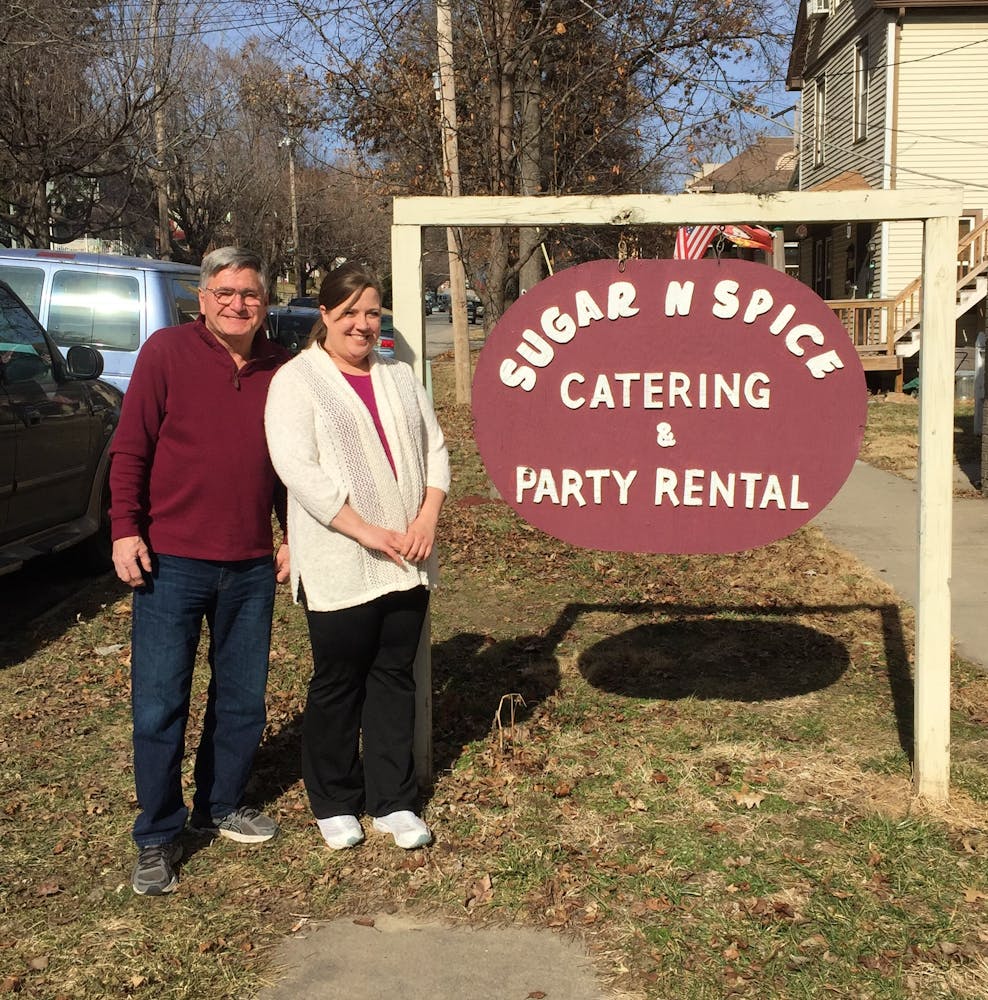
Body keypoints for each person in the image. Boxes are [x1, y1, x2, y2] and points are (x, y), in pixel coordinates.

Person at [110, 246, 290, 896]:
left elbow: (291, 468)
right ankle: (158, 834)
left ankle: (221, 804)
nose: (237, 303)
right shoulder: (166, 354)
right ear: (203, 299)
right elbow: (131, 447)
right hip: (172, 560)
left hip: (249, 564)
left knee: (241, 699)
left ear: (263, 302)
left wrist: (292, 534)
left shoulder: (282, 368)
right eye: (225, 292)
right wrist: (124, 529)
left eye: (249, 293)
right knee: (160, 704)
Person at [264, 262, 449, 851]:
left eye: (372, 312)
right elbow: (300, 471)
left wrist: (425, 518)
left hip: (407, 555)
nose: (363, 325)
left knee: (394, 676)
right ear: (325, 314)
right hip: (341, 555)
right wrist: (366, 531)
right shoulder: (298, 380)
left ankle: (392, 799)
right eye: (350, 313)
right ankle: (334, 799)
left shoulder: (399, 377)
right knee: (339, 678)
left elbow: (436, 450)